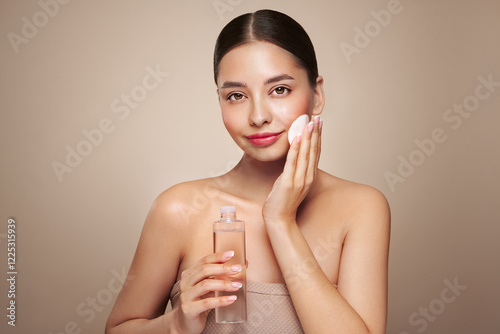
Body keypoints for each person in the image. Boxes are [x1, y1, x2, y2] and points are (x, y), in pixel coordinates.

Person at [105, 9, 390, 334]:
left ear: (317, 94)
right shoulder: (180, 210)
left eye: (279, 90)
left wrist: (280, 221)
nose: (257, 116)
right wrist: (177, 324)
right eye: (236, 96)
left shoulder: (360, 208)